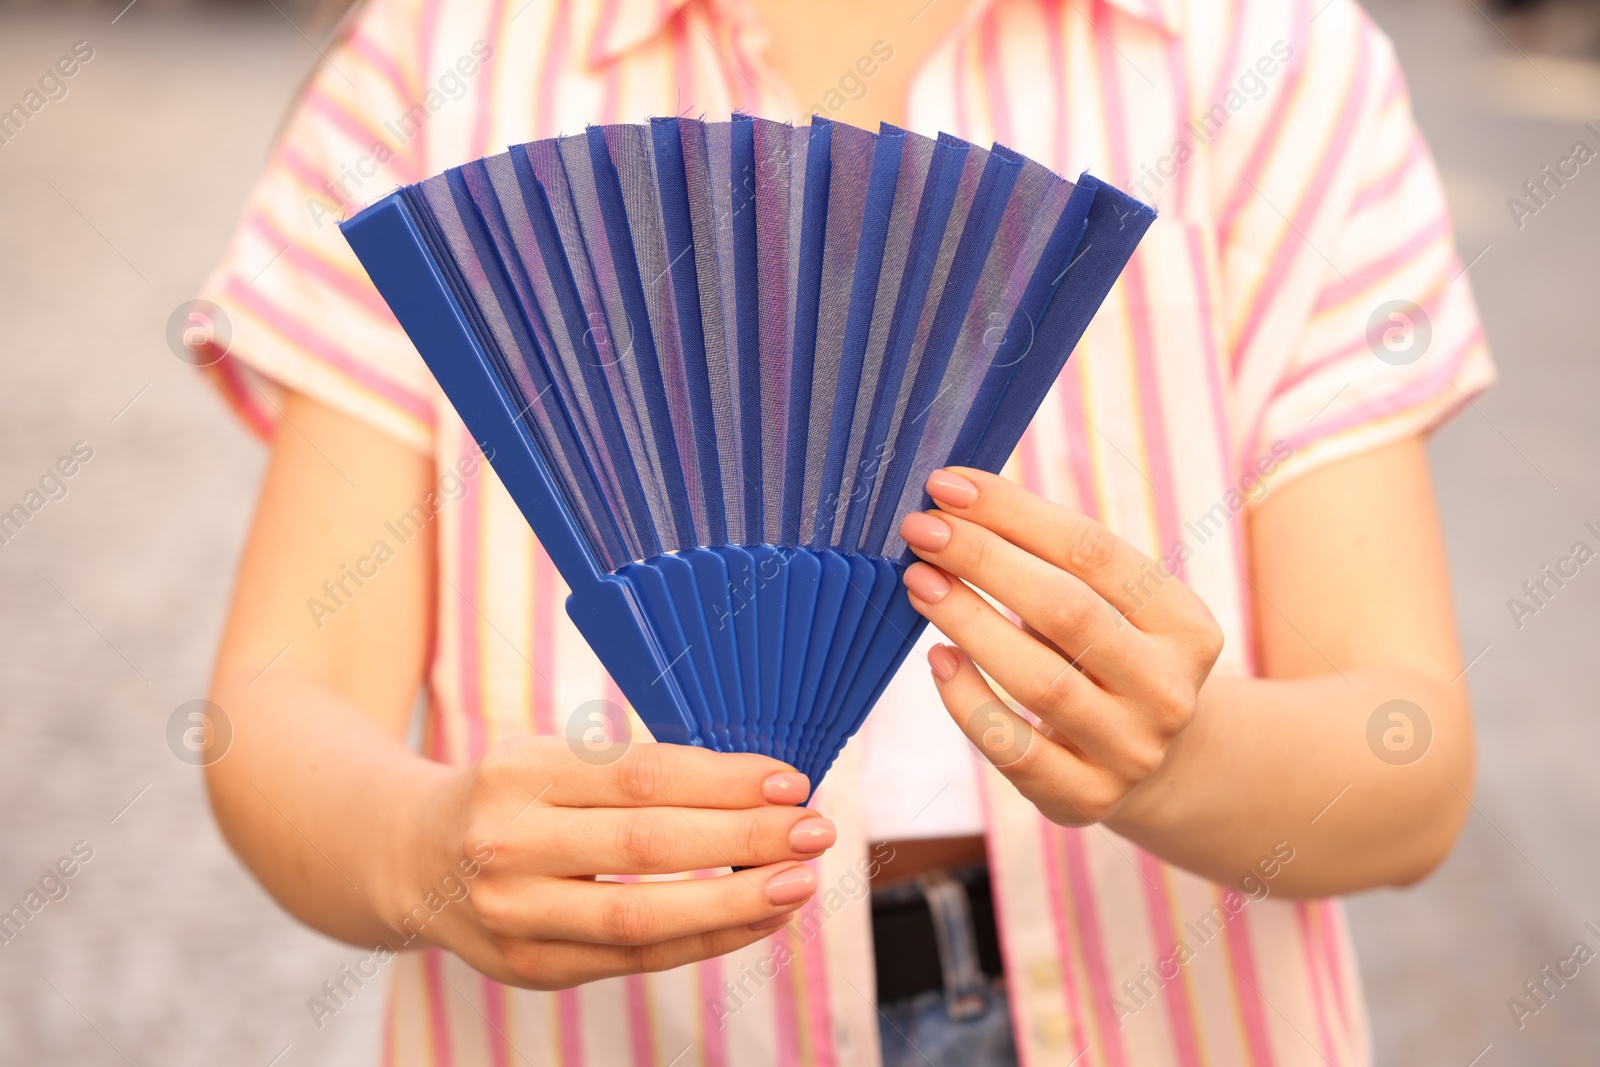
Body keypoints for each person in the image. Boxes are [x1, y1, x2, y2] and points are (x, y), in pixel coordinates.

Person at [197, 0, 1493, 1063]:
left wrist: (1178, 751)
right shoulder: (435, 61)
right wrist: (423, 849)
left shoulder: (1270, 67)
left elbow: (1407, 768)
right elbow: (279, 711)